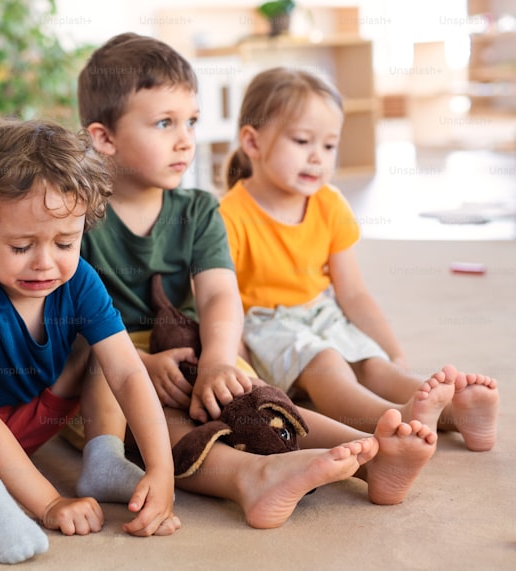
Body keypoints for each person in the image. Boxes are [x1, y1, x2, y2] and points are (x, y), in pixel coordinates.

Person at [76, 32, 439, 527]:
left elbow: (221, 293)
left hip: (192, 343)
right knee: (163, 423)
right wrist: (138, 360)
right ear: (104, 137)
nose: (186, 139)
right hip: (110, 358)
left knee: (257, 398)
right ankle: (247, 478)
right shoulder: (78, 218)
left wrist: (220, 359)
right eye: (164, 123)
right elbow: (61, 315)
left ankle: (372, 452)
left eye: (191, 122)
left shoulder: (199, 209)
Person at [0, 121, 179, 564]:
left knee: (106, 351)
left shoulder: (79, 279)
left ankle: (104, 460)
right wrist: (48, 502)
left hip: (26, 425)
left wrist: (162, 471)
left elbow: (126, 372)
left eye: (65, 242)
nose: (45, 264)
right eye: (22, 246)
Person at [218, 66, 498, 450]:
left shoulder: (330, 203)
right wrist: (244, 374)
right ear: (252, 142)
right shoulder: (228, 216)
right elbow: (223, 304)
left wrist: (393, 352)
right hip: (268, 326)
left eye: (329, 146)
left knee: (372, 363)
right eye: (302, 141)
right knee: (329, 363)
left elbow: (353, 294)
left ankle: (457, 412)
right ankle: (398, 416)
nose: (318, 157)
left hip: (323, 312)